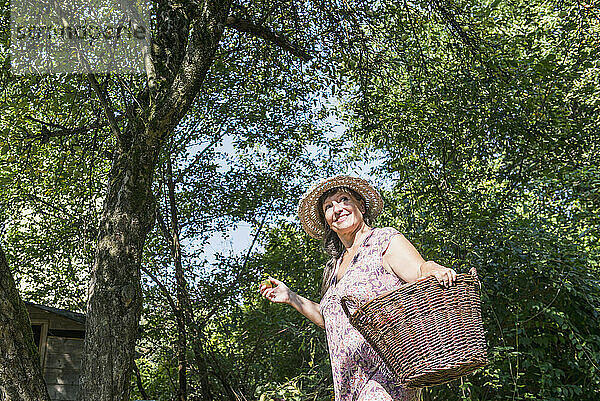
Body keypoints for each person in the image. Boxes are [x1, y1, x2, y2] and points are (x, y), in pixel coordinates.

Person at [259, 176, 457, 401]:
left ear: (361, 205)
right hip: (348, 385)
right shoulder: (335, 266)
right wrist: (292, 298)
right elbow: (331, 320)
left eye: (344, 199)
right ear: (327, 220)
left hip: (385, 379)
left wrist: (432, 267)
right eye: (329, 206)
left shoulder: (383, 240)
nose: (337, 208)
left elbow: (420, 271)